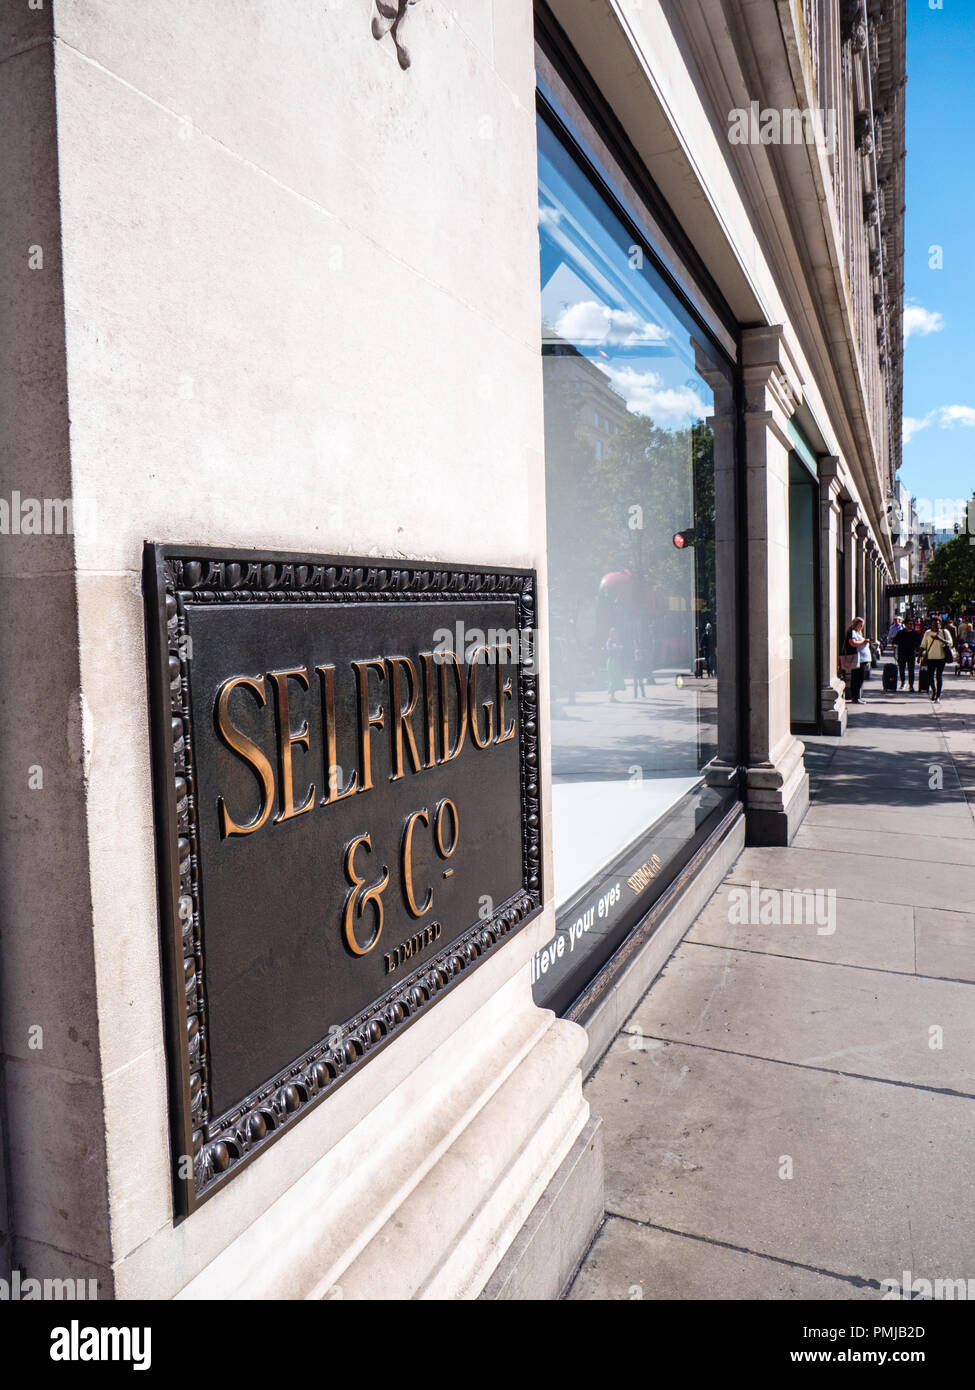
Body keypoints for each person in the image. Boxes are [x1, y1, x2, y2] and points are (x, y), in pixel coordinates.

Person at [920, 617, 952, 703]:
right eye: (934, 624)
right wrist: (920, 655)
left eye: (938, 624)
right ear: (931, 624)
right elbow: (923, 645)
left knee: (939, 676)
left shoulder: (944, 632)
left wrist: (940, 639)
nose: (936, 626)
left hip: (941, 658)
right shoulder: (927, 633)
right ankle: (934, 691)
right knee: (930, 677)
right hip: (930, 658)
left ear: (940, 624)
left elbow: (950, 643)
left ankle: (938, 695)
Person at [843, 616, 871, 703]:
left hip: (862, 659)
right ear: (856, 624)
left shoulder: (858, 632)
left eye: (862, 625)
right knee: (857, 678)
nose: (862, 627)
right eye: (860, 625)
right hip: (858, 659)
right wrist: (864, 641)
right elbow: (853, 643)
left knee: (859, 678)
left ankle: (856, 697)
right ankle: (855, 697)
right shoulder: (853, 632)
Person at [893, 619, 921, 691]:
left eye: (912, 624)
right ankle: (903, 682)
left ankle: (911, 685)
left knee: (911, 670)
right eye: (909, 624)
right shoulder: (901, 633)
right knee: (901, 669)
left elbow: (919, 643)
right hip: (902, 653)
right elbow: (895, 640)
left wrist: (918, 650)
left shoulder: (915, 633)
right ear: (905, 625)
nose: (911, 625)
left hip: (911, 654)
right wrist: (894, 645)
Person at [606, 628, 625, 703]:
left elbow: (620, 649)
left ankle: (613, 697)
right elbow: (609, 649)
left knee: (616, 678)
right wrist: (616, 648)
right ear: (612, 634)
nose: (617, 635)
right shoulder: (609, 641)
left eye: (617, 634)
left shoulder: (616, 641)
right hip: (612, 661)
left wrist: (619, 648)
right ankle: (612, 697)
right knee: (612, 678)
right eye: (615, 634)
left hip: (616, 661)